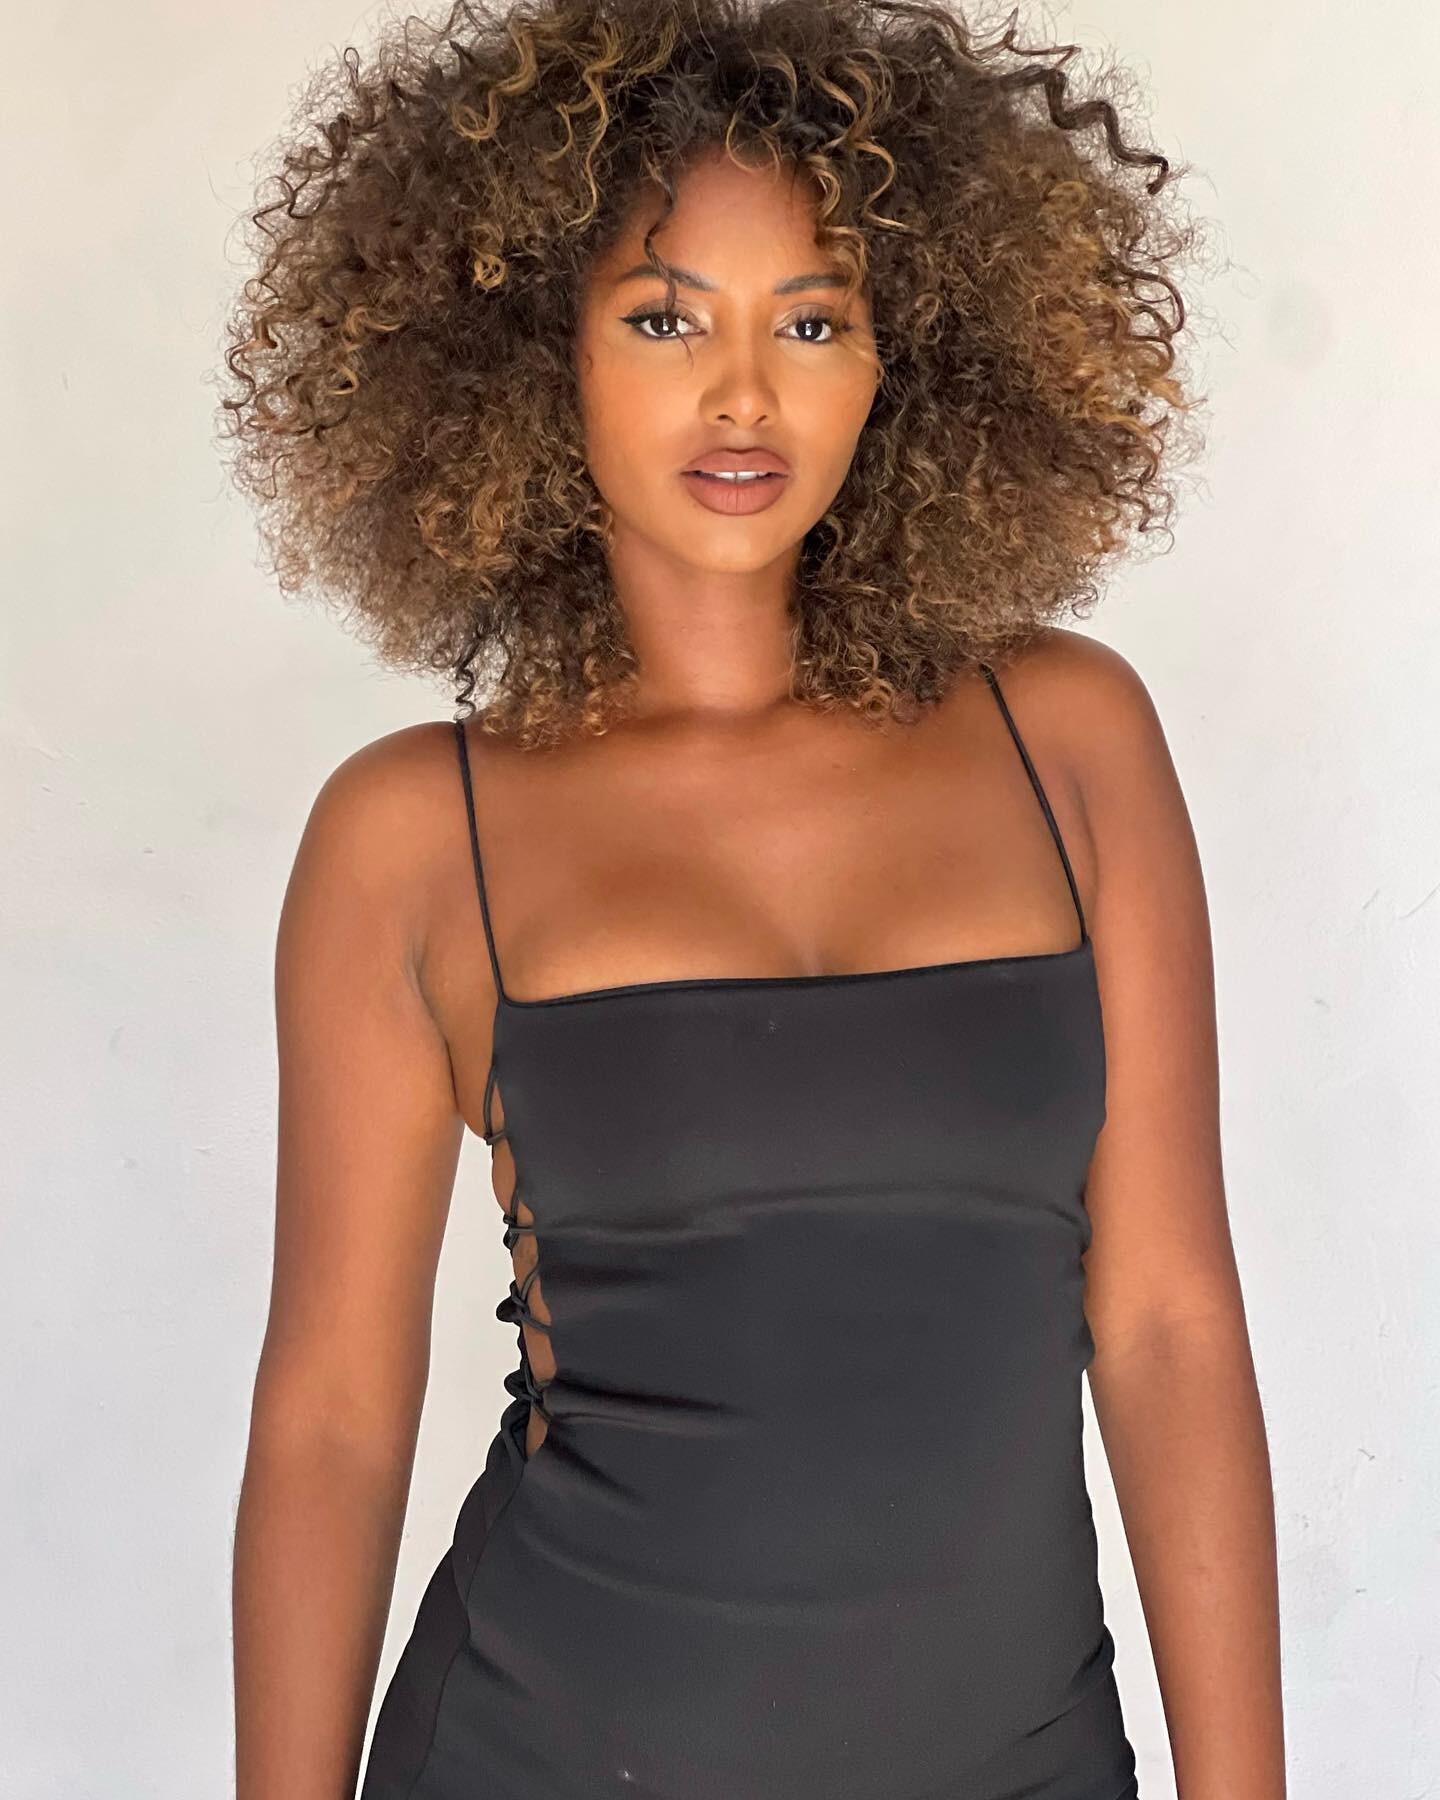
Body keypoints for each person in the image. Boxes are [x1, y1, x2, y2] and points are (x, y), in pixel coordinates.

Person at [222, 2, 1284, 1795]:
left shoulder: (1068, 738)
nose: (743, 395)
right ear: (533, 353)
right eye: (664, 318)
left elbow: (1171, 1323)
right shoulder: (414, 837)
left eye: (812, 319)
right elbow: (331, 1419)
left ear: (902, 354)